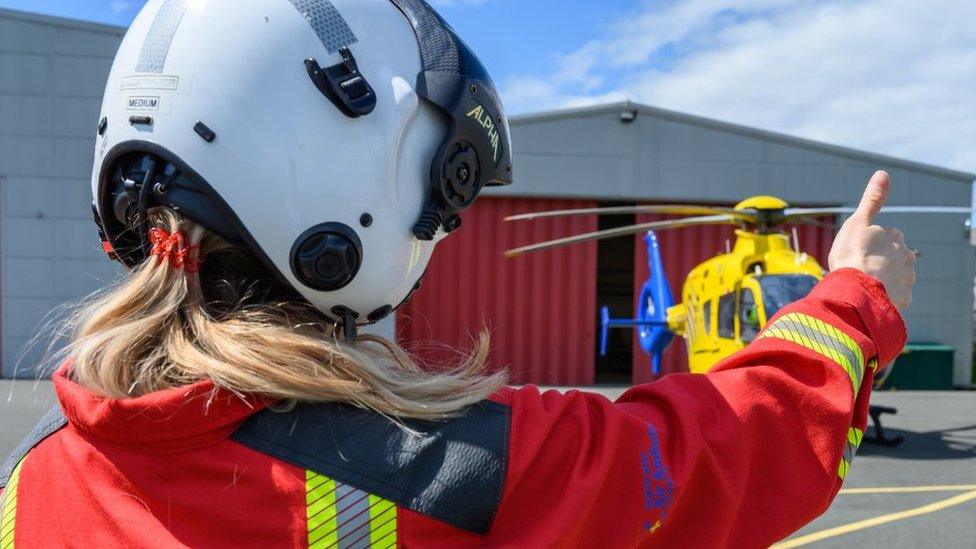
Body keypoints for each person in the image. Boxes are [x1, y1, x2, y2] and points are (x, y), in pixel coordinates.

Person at [0, 0, 914, 547]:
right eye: (443, 190)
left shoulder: (32, 473)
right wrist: (853, 299)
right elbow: (720, 455)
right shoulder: (452, 470)